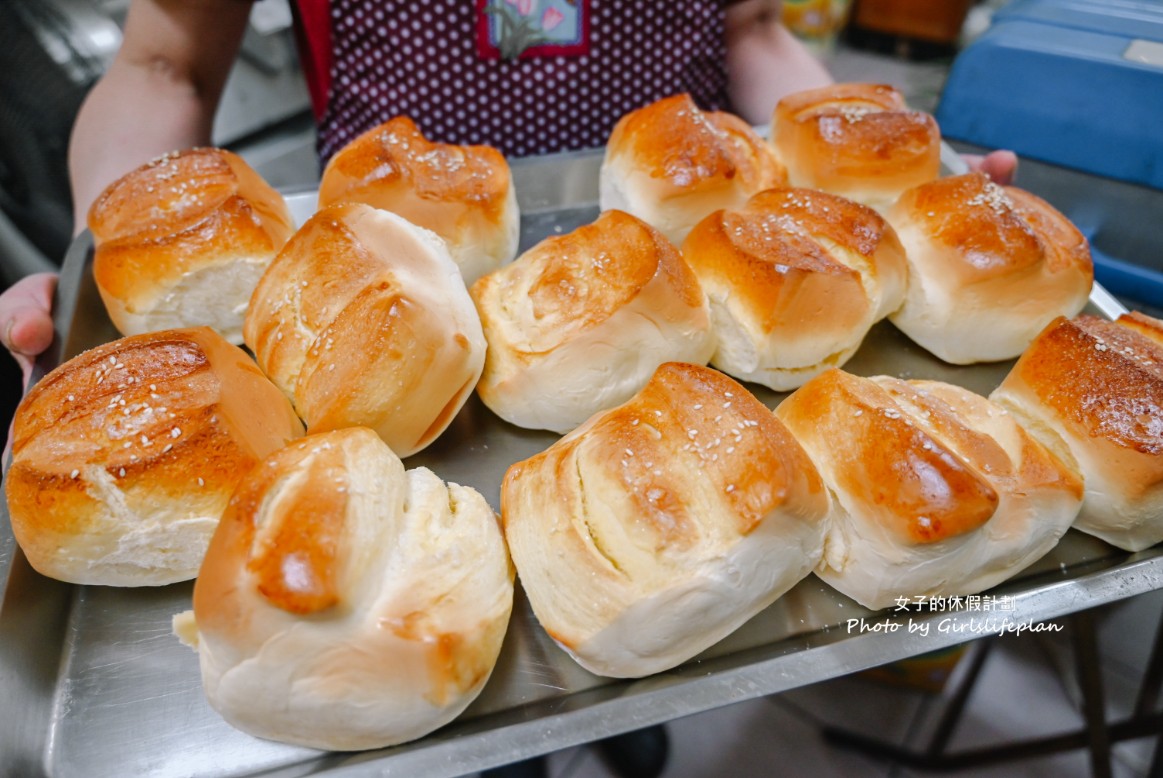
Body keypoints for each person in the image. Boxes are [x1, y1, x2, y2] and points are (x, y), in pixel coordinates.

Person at [0, 1, 1016, 774]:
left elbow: (751, 26)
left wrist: (877, 171)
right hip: (350, 259)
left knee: (657, 600)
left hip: (675, 271)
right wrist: (102, 261)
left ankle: (628, 736)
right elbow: (162, 58)